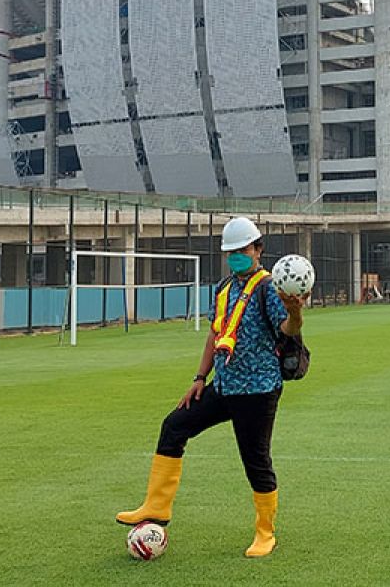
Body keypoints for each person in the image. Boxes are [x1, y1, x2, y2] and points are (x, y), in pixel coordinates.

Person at [116, 216, 304, 558]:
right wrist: (200, 379)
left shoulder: (268, 288)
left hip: (258, 390)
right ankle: (156, 508)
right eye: (230, 251)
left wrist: (296, 313)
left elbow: (287, 329)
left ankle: (265, 533)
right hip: (224, 384)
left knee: (255, 460)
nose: (236, 256)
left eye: (242, 249)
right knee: (174, 426)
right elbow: (215, 334)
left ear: (258, 250)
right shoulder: (223, 288)